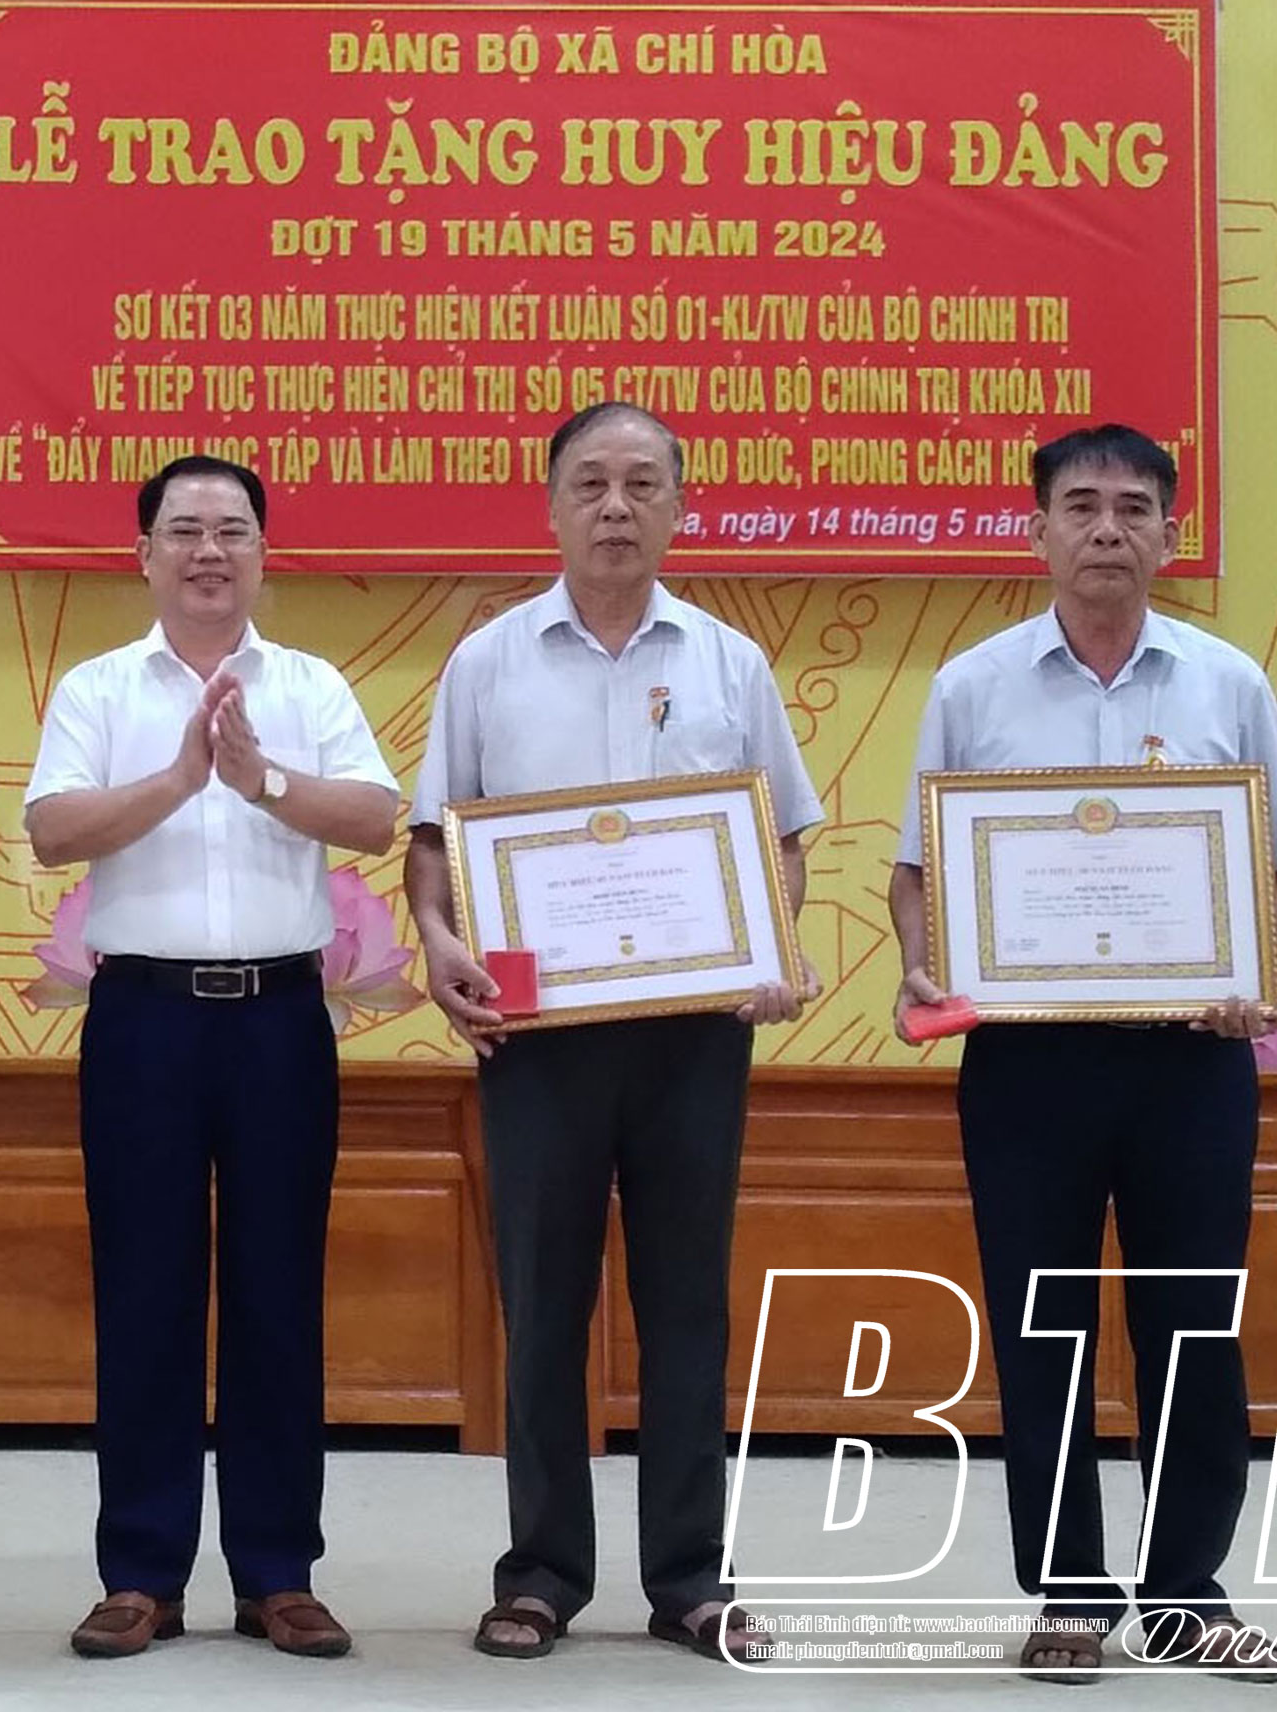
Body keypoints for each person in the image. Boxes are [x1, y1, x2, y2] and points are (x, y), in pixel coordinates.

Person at [887, 423, 1277, 1683]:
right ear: (1039, 530)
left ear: (1170, 534)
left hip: (1191, 1060)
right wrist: (923, 962)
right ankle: (1069, 1589)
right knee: (1045, 1328)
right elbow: (919, 873)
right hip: (1029, 1068)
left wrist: (1257, 970)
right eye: (1081, 505)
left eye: (1134, 507)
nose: (1108, 529)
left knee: (1195, 1327)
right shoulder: (973, 686)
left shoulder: (1226, 681)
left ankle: (1187, 1590)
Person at [404, 402, 823, 1663]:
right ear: (551, 506)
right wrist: (439, 943)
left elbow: (782, 839)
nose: (616, 506)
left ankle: (691, 1574)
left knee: (687, 1301)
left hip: (693, 1034)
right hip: (537, 1034)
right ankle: (540, 1572)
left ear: (682, 506)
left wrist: (769, 947)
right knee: (543, 1304)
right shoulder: (488, 662)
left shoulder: (729, 662)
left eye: (644, 483)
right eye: (590, 483)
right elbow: (434, 844)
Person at [23, 456, 400, 1660]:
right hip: (144, 1018)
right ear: (143, 554)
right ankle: (141, 1569)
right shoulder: (97, 687)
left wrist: (261, 778)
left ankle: (278, 1569)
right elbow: (50, 828)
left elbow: (375, 815)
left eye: (231, 530)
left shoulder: (311, 683)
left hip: (280, 1019)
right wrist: (183, 778)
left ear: (261, 553)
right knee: (144, 1290)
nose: (207, 551)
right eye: (183, 530)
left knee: (280, 1291)